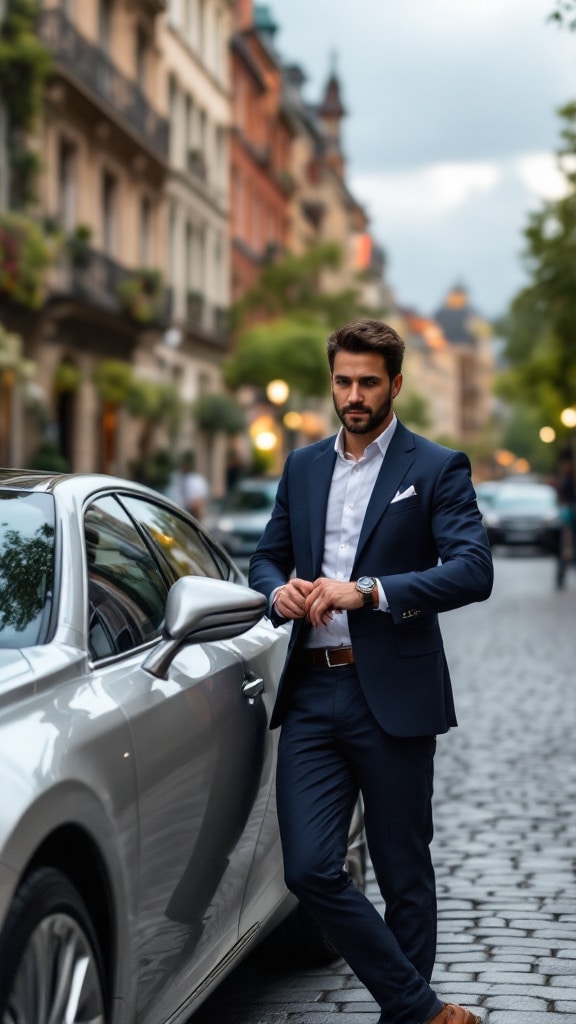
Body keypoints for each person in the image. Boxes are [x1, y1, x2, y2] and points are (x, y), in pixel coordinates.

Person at [249, 319, 494, 1024]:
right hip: (314, 688)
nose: (353, 395)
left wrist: (372, 591)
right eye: (343, 381)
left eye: (367, 382)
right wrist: (277, 590)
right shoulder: (301, 467)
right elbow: (269, 555)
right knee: (310, 869)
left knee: (403, 872)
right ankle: (421, 1009)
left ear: (394, 384)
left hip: (392, 690)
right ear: (332, 381)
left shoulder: (435, 467)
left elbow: (472, 571)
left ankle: (404, 1018)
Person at [168, 451, 209, 520]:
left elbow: (199, 501)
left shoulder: (197, 480)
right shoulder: (175, 477)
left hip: (191, 514)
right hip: (176, 513)